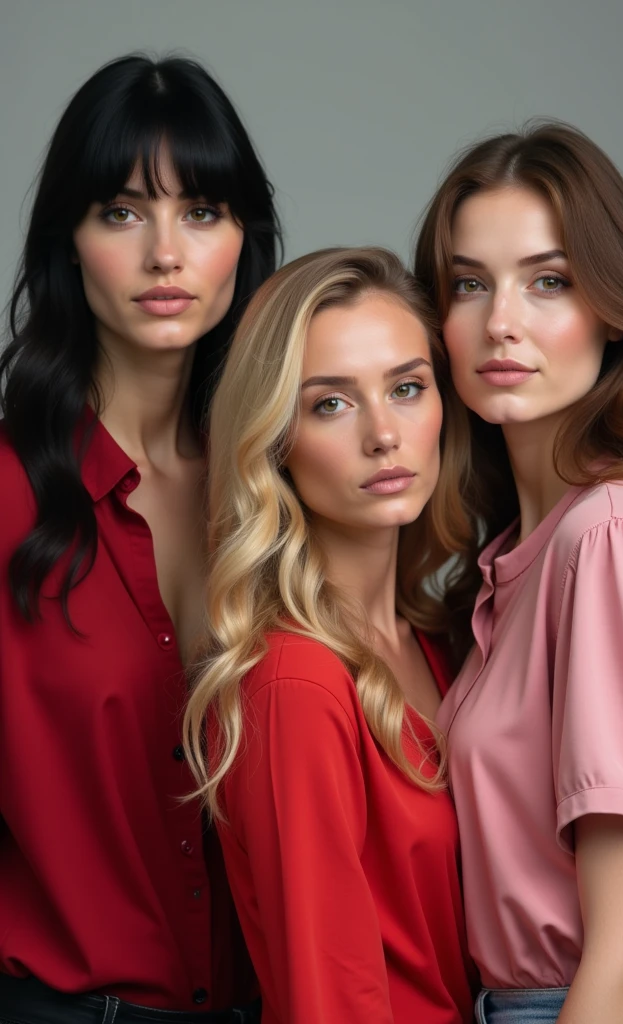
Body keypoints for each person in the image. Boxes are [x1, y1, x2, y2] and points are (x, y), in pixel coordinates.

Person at [0, 53, 280, 1024]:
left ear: (243, 240)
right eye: (121, 211)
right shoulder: (3, 499)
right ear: (68, 242)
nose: (166, 253)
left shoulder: (285, 493)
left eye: (201, 211)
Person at [415, 121, 623, 1024]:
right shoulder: (510, 561)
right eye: (469, 284)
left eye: (548, 281)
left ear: (613, 309)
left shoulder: (608, 535)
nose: (501, 323)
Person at [184, 247, 477, 1024]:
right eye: (331, 405)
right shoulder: (295, 682)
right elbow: (331, 1003)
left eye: (408, 389)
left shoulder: (437, 645)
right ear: (274, 440)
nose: (385, 434)